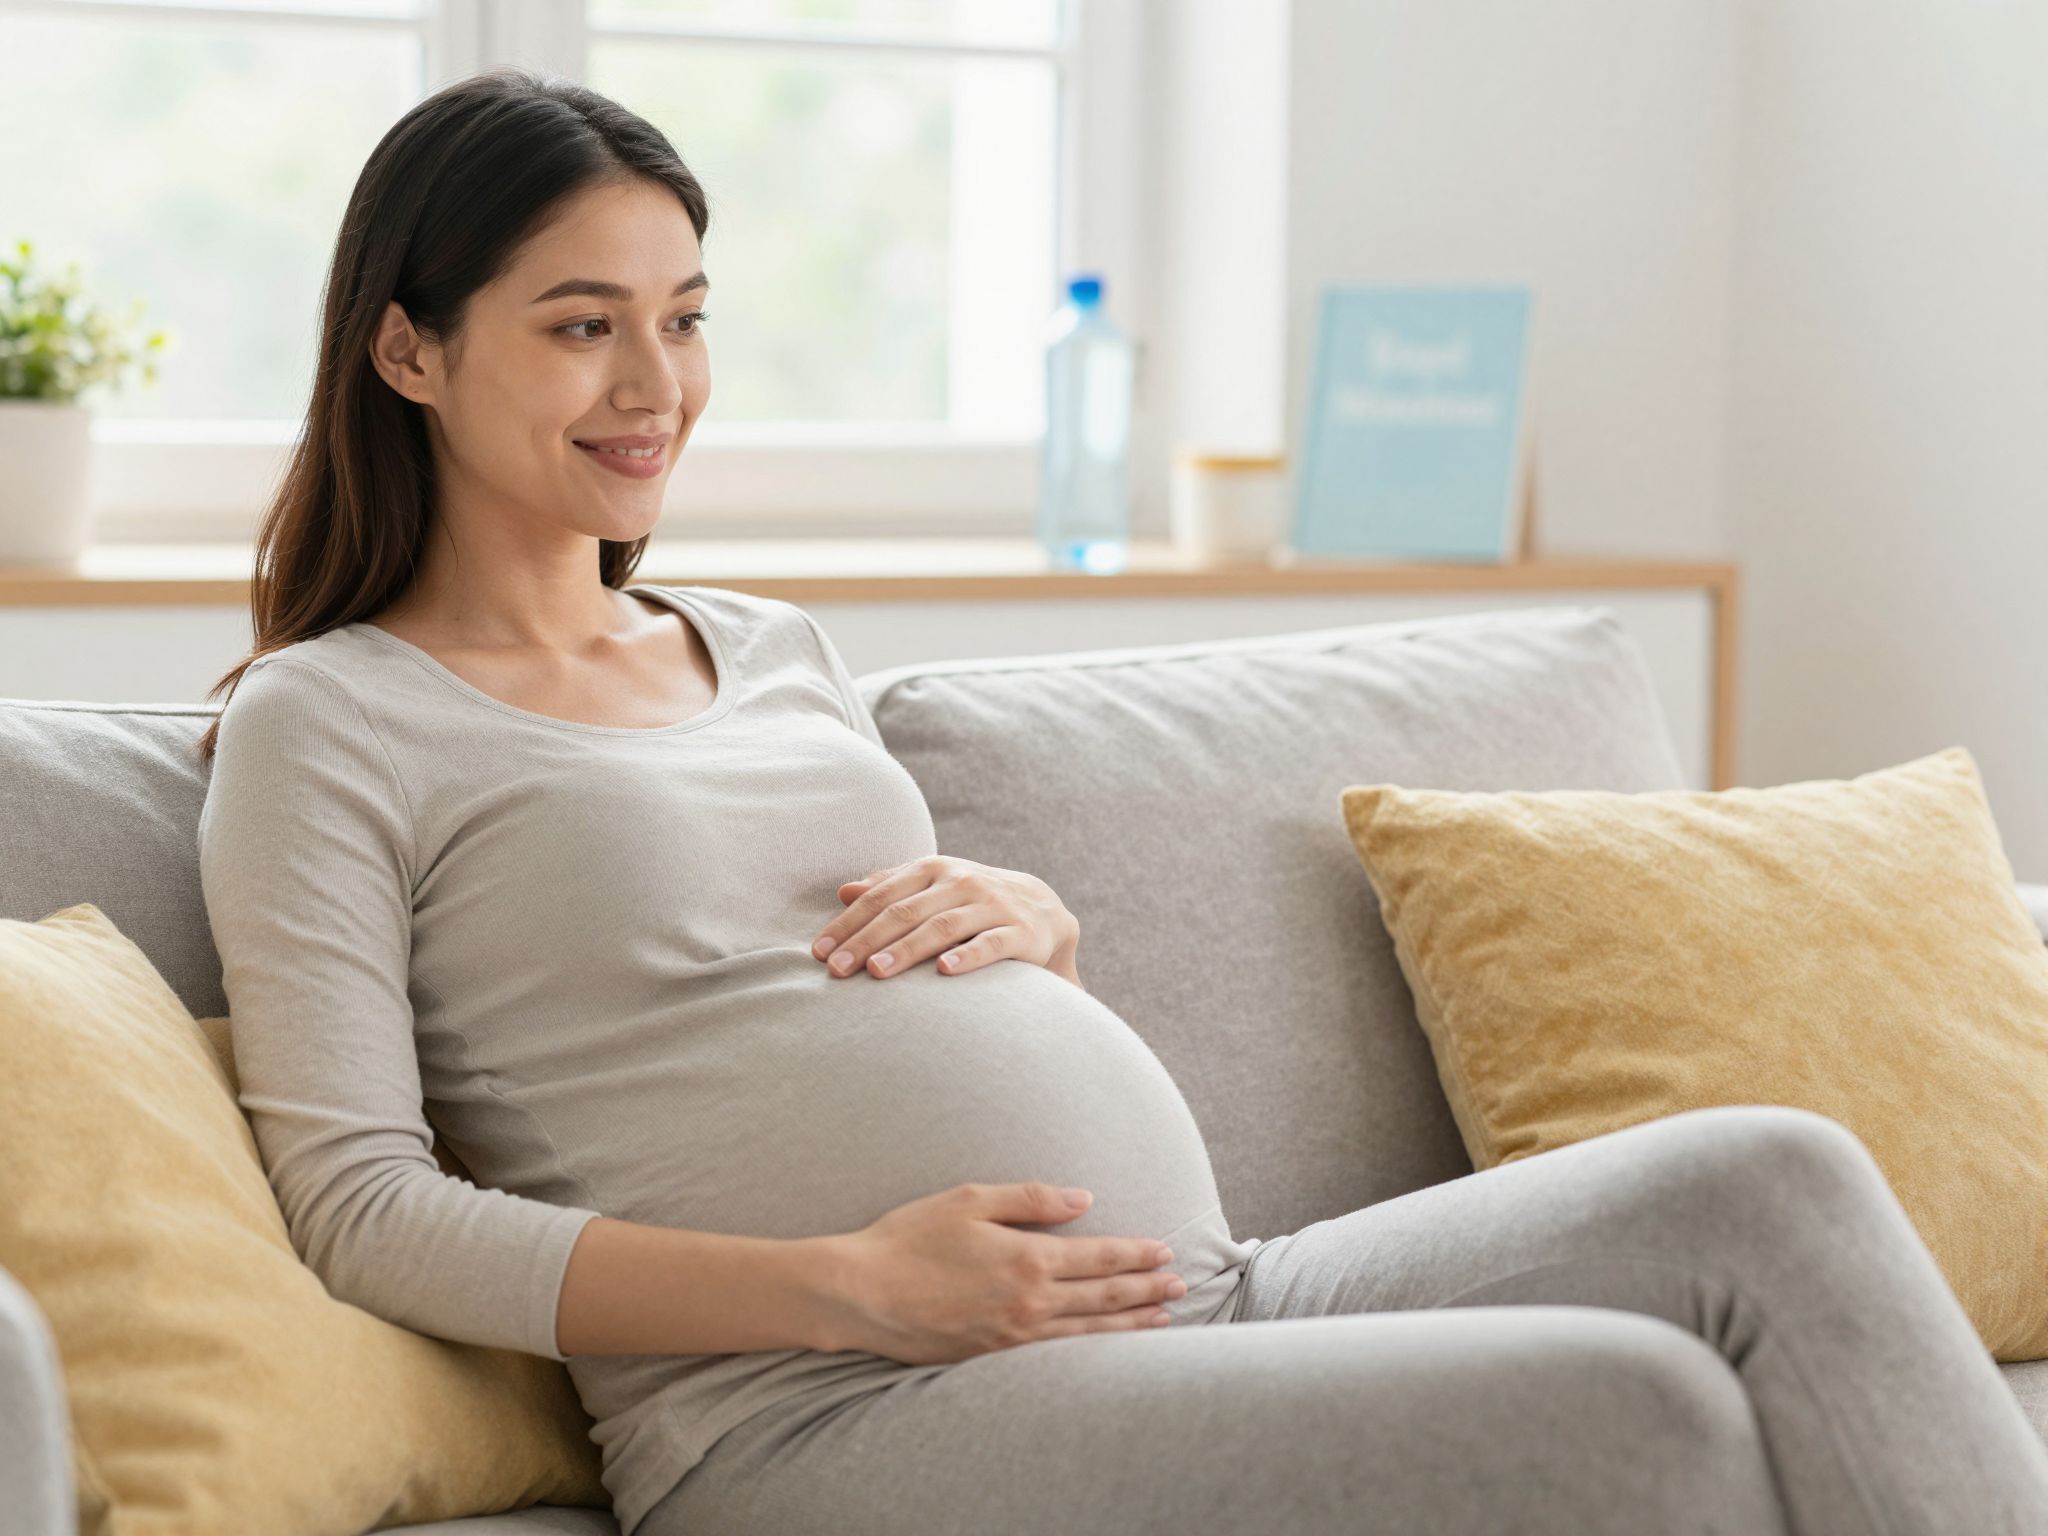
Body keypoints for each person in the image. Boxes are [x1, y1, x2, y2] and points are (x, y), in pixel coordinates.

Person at [193, 67, 2048, 1536]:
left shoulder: (765, 644)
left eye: (684, 316)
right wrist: (844, 1288)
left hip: (1208, 1292)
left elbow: (830, 967)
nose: (658, 384)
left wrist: (1039, 933)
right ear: (409, 349)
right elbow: (362, 1207)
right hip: (835, 1411)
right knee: (1637, 1419)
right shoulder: (331, 723)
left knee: (1773, 1175)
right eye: (581, 325)